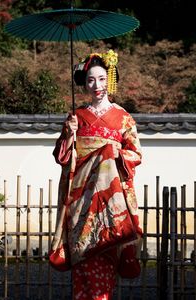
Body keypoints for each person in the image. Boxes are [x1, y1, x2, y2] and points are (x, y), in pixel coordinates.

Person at [50, 49, 142, 300]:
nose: (96, 85)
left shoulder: (124, 118)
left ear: (110, 79)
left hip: (110, 198)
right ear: (84, 83)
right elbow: (62, 158)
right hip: (82, 197)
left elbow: (136, 155)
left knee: (106, 253)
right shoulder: (76, 117)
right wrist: (69, 134)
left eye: (102, 79)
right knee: (83, 258)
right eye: (91, 80)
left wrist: (114, 154)